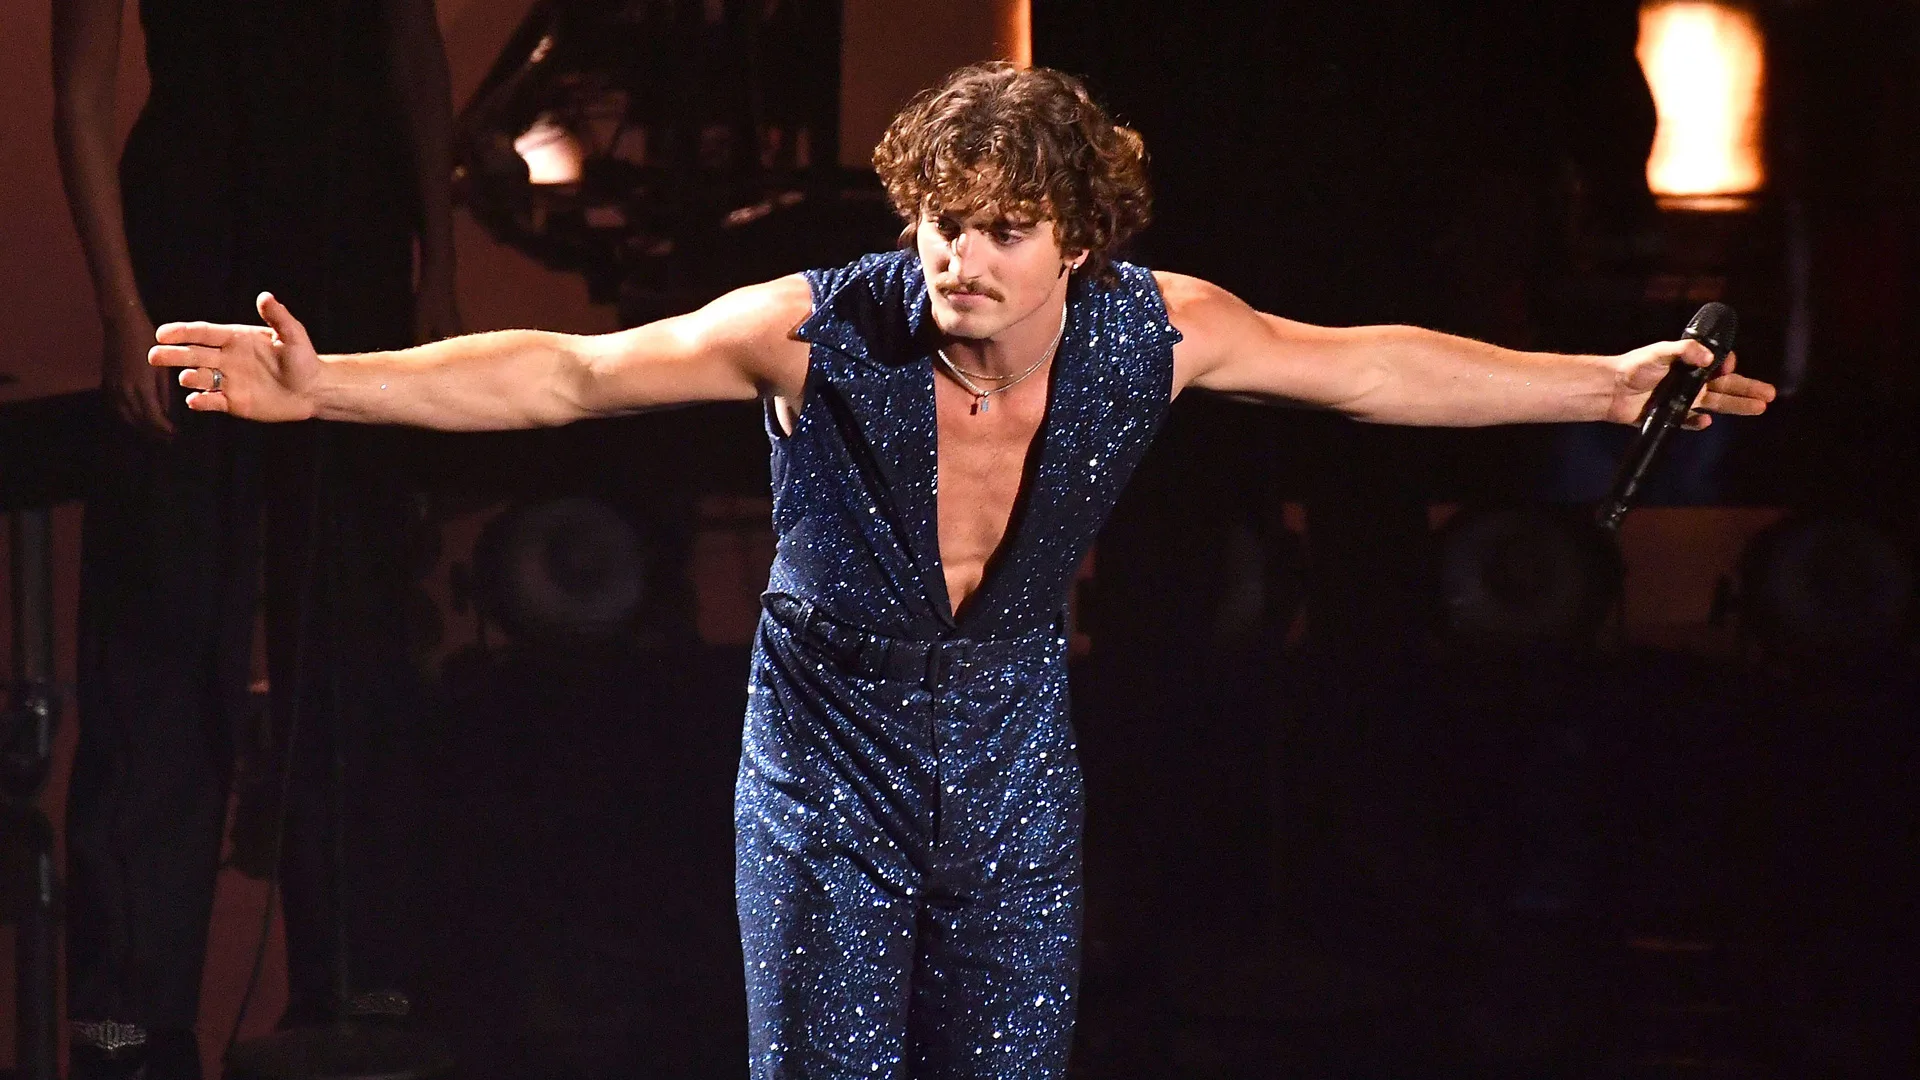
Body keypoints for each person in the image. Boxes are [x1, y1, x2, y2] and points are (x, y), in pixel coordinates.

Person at [149, 62, 1774, 1080]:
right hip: (825, 741)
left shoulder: (1163, 326)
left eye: (996, 231)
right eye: (935, 223)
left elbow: (1365, 364)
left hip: (1005, 739)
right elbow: (570, 372)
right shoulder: (813, 323)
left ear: (1080, 238)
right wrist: (332, 381)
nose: (954, 261)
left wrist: (1603, 381)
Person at [52, 0, 456, 1075]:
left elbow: (409, 45)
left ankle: (366, 978)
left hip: (348, 227)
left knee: (359, 618)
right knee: (165, 617)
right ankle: (128, 1004)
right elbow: (81, 93)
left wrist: (441, 257)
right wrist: (118, 306)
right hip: (190, 227)